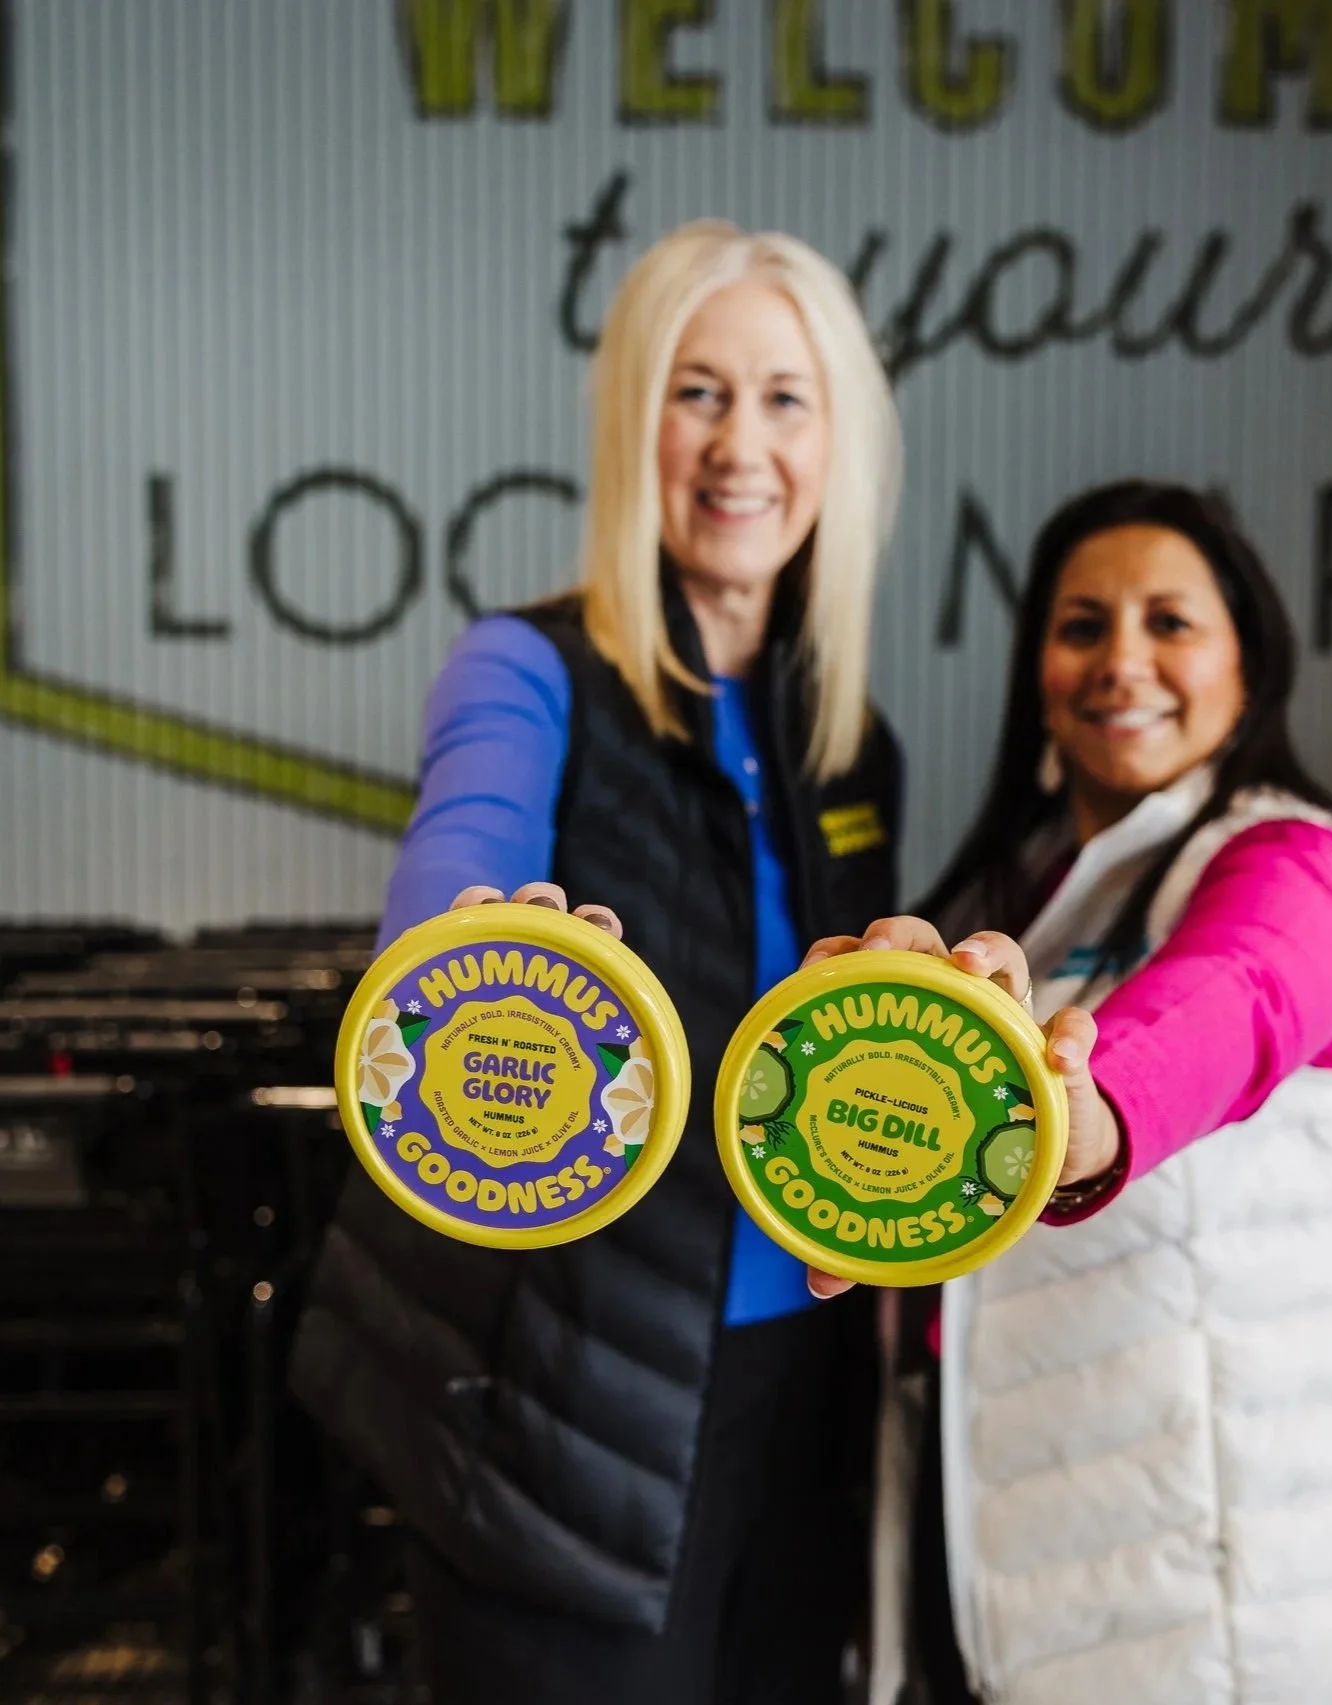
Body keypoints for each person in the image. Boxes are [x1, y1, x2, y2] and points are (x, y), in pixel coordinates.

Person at [290, 220, 904, 1703]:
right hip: (565, 1402)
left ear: (838, 441)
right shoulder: (525, 668)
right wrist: (468, 955)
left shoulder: (851, 743)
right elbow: (463, 850)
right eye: (697, 392)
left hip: (798, 1392)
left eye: (784, 397)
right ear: (634, 420)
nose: (739, 444)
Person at [806, 481, 1332, 1705]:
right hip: (1055, 1608)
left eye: (1169, 622)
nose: (1122, 661)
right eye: (1082, 627)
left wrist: (1073, 1114)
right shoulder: (1024, 897)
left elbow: (1231, 1000)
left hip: (1265, 1634)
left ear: (1247, 663)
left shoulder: (1306, 866)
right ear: (1038, 673)